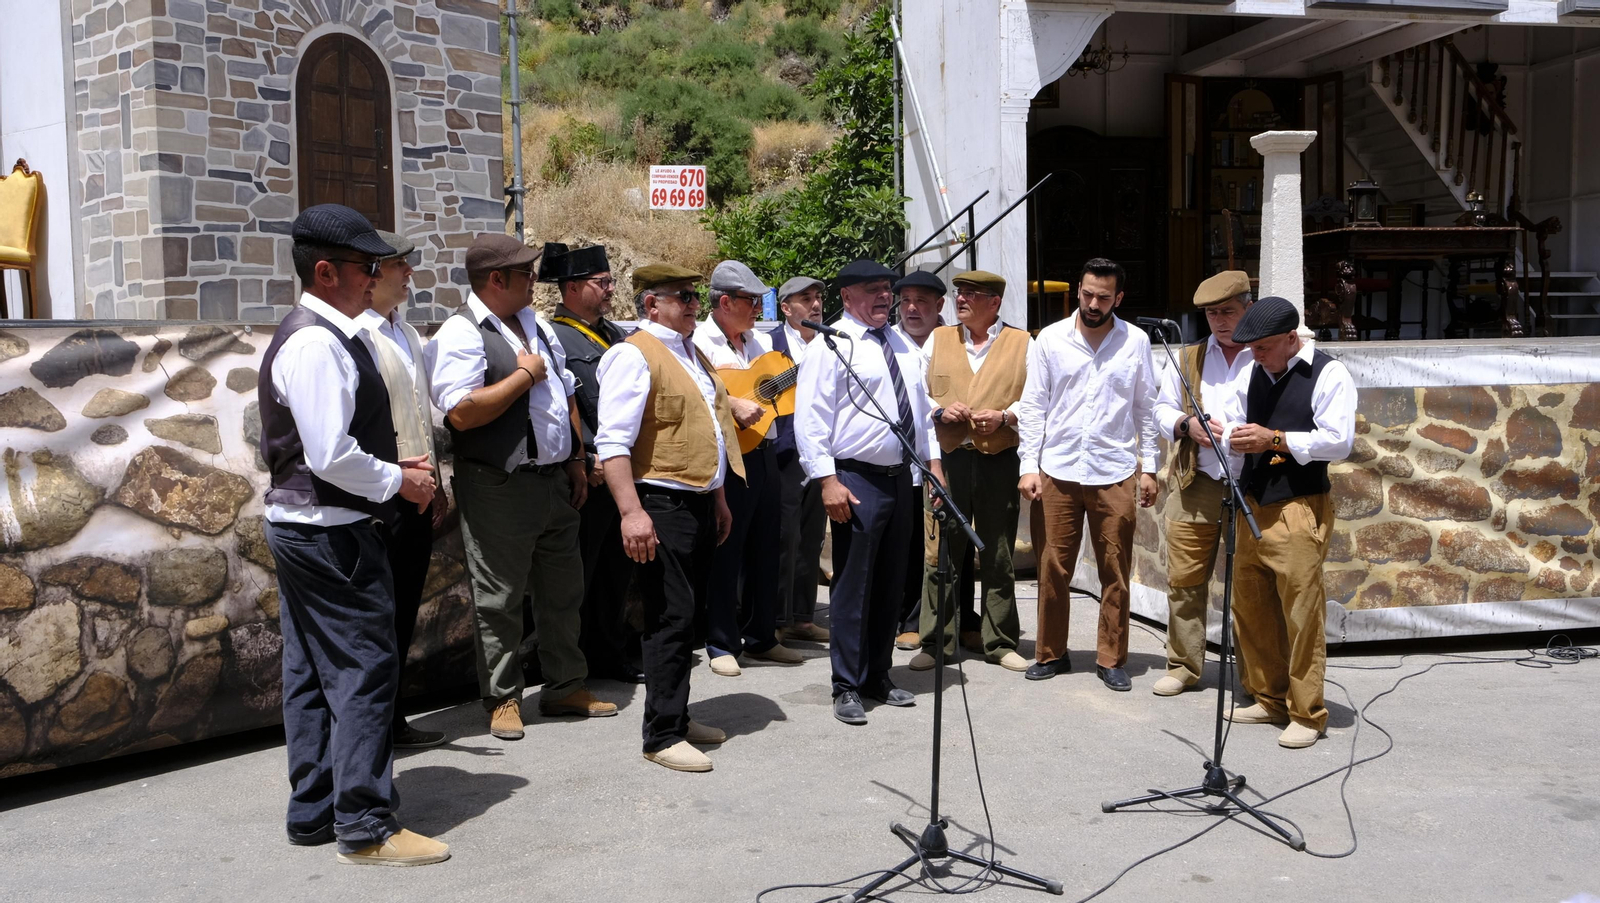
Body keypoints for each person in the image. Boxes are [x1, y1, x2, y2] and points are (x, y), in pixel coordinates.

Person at [260, 203, 447, 866]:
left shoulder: (325, 333)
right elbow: (330, 455)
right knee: (366, 667)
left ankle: (314, 809)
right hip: (330, 530)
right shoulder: (315, 341)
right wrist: (403, 481)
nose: (376, 276)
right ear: (324, 271)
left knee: (309, 668)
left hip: (309, 525)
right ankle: (365, 822)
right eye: (366, 266)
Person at [426, 233, 615, 743]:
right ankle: (503, 697)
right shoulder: (461, 333)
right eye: (526, 273)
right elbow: (461, 413)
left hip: (553, 478)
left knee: (563, 589)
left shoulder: (534, 325)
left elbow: (566, 394)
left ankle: (565, 685)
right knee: (499, 596)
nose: (536, 280)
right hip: (498, 483)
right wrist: (523, 377)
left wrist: (576, 458)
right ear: (496, 280)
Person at [595, 264, 739, 772]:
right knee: (668, 617)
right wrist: (631, 512)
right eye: (683, 297)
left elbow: (710, 432)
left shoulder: (691, 352)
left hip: (697, 500)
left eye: (696, 296)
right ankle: (660, 734)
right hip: (660, 503)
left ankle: (676, 714)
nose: (694, 304)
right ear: (652, 303)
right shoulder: (632, 355)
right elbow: (612, 442)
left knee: (689, 615)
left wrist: (718, 497)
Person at [795, 259, 943, 726]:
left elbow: (920, 411)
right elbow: (811, 419)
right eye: (874, 290)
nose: (885, 297)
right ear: (848, 298)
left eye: (887, 289)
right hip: (854, 478)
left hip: (902, 477)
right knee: (854, 584)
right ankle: (846, 684)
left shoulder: (900, 342)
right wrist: (826, 481)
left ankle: (878, 674)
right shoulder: (831, 344)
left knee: (892, 581)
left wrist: (933, 465)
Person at [1016, 257, 1159, 692]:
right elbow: (1033, 404)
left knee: (1114, 568)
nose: (1093, 303)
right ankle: (1050, 653)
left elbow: (1145, 408)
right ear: (1078, 290)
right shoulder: (1050, 340)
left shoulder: (1135, 341)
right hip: (1057, 468)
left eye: (1103, 296)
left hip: (1113, 470)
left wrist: (1149, 466)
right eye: (1087, 294)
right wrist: (1028, 465)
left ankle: (1111, 658)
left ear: (1118, 297)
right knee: (1052, 565)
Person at [1222, 297, 1355, 749]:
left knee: (1301, 612)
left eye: (1262, 347)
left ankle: (1307, 712)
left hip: (1298, 504)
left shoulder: (1328, 373)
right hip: (1252, 500)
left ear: (1291, 339)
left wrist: (1275, 438)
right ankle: (1270, 697)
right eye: (1252, 348)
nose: (1254, 355)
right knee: (1253, 606)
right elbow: (1234, 421)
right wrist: (1234, 438)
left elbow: (1338, 441)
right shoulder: (1251, 369)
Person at [911, 270, 1031, 674]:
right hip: (949, 459)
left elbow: (1035, 399)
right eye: (959, 292)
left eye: (971, 294)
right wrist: (939, 409)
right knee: (941, 550)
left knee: (998, 552)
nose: (960, 299)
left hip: (1000, 459)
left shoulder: (1023, 343)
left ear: (994, 303)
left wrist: (1006, 415)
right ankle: (936, 642)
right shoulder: (939, 339)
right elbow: (916, 390)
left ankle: (999, 641)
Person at [356, 230, 450, 748]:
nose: (409, 274)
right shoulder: (358, 335)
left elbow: (420, 414)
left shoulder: (407, 334)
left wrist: (434, 482)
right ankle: (373, 726)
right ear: (373, 274)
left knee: (404, 608)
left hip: (414, 490)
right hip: (377, 495)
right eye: (399, 266)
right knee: (376, 616)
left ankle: (390, 721)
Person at [693, 260, 805, 676]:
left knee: (766, 544)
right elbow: (696, 389)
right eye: (751, 301)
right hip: (727, 458)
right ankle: (721, 641)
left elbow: (778, 385)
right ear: (725, 302)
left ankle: (762, 636)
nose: (759, 308)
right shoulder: (698, 342)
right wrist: (730, 400)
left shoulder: (758, 343)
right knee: (726, 548)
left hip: (765, 451)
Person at [1149, 270, 1255, 697]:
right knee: (1185, 580)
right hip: (1198, 481)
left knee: (1249, 584)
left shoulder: (1267, 353)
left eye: (1228, 311)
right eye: (1212, 314)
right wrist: (1183, 424)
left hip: (1252, 484)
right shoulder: (1189, 355)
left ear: (1248, 306)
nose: (1220, 321)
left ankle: (1255, 677)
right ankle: (1183, 666)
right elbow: (1160, 407)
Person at [543, 242, 644, 684]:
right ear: (571, 287)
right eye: (601, 283)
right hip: (588, 473)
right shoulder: (555, 336)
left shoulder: (617, 335)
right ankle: (576, 662)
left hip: (624, 470)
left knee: (616, 572)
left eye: (610, 282)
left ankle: (611, 651)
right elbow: (563, 403)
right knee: (580, 572)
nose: (609, 290)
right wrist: (584, 453)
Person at [769, 276, 830, 646]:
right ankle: (775, 618)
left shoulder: (830, 343)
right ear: (786, 307)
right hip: (785, 455)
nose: (815, 304)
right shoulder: (769, 344)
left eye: (818, 297)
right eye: (805, 298)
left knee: (811, 538)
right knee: (783, 536)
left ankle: (803, 618)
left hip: (821, 454)